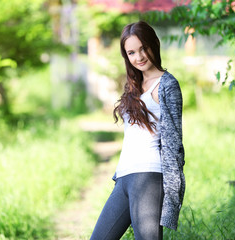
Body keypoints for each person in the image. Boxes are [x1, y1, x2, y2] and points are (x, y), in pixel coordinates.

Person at [90, 21, 185, 240]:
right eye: (131, 52)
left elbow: (173, 140)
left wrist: (173, 189)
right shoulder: (133, 86)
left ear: (154, 45)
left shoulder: (167, 84)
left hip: (149, 174)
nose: (139, 56)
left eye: (143, 48)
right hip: (125, 175)